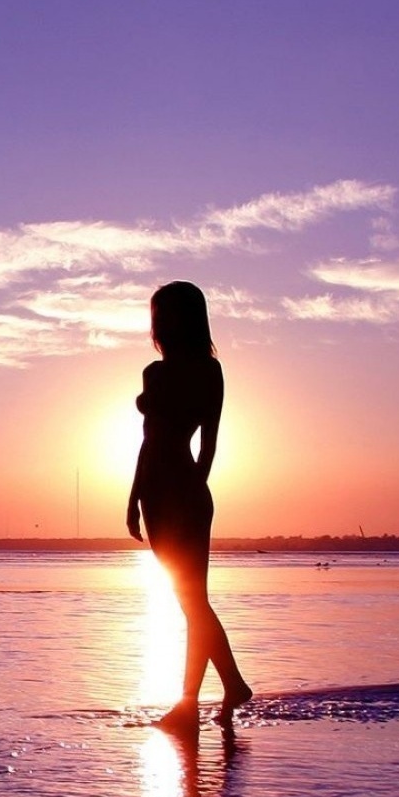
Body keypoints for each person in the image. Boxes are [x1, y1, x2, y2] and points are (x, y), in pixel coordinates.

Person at [126, 281, 251, 730]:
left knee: (193, 600)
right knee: (188, 601)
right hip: (155, 496)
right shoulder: (153, 373)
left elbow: (210, 444)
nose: (159, 322)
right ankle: (227, 686)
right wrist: (133, 498)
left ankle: (192, 703)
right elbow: (147, 442)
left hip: (186, 494)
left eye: (166, 313)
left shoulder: (208, 370)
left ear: (189, 317)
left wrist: (192, 493)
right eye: (156, 314)